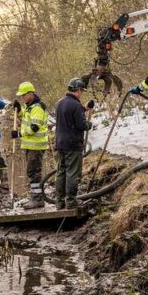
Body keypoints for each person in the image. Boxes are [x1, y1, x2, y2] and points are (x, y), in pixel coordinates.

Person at [54, 78, 94, 209]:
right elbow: (81, 125)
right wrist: (89, 124)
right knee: (72, 173)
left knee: (61, 172)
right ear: (78, 90)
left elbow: (69, 116)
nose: (81, 93)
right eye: (81, 91)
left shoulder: (60, 103)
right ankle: (71, 202)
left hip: (60, 143)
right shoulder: (76, 105)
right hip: (72, 144)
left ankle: (59, 202)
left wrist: (84, 109)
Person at [10, 81, 49, 209]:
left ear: (30, 93)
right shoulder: (30, 106)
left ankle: (37, 199)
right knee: (32, 172)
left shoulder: (37, 108)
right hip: (31, 146)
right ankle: (35, 196)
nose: (22, 98)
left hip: (36, 146)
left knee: (34, 172)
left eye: (23, 95)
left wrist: (19, 134)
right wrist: (19, 110)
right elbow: (26, 118)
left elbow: (34, 127)